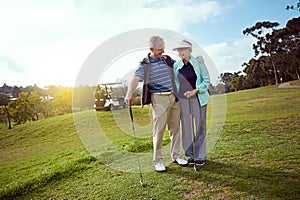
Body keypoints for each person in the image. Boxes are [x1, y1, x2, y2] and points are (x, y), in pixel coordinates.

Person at [125, 36, 188, 172]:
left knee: (175, 128)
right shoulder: (145, 64)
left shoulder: (167, 60)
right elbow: (136, 79)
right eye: (160, 49)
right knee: (159, 131)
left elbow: (181, 66)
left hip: (174, 97)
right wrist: (129, 94)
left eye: (163, 48)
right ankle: (158, 161)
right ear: (151, 49)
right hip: (159, 99)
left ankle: (176, 156)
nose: (162, 51)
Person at [172, 39, 210, 166]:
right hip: (183, 100)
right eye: (179, 50)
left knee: (200, 127)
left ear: (190, 50)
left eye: (183, 49)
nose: (180, 52)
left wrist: (195, 91)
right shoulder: (176, 66)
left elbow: (206, 81)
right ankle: (190, 155)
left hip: (198, 98)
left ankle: (200, 155)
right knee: (187, 128)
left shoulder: (199, 62)